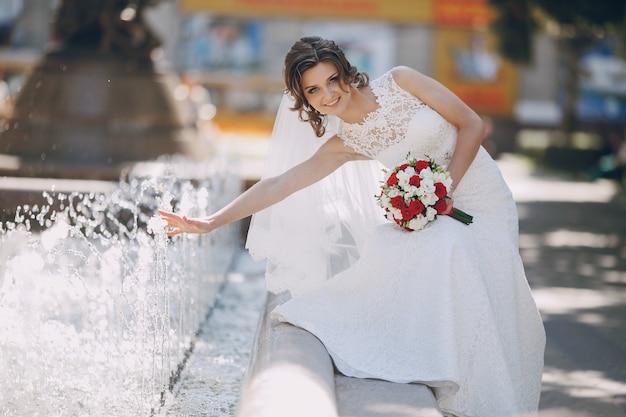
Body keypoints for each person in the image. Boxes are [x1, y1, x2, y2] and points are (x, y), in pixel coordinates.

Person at [159, 36, 546, 417]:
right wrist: (211, 221)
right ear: (304, 100)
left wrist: (444, 191)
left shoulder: (402, 81)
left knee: (461, 259)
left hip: (481, 196)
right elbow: (279, 183)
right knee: (405, 243)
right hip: (434, 208)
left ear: (345, 73)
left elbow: (472, 125)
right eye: (313, 90)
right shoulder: (346, 142)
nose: (328, 95)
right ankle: (449, 369)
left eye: (331, 80)